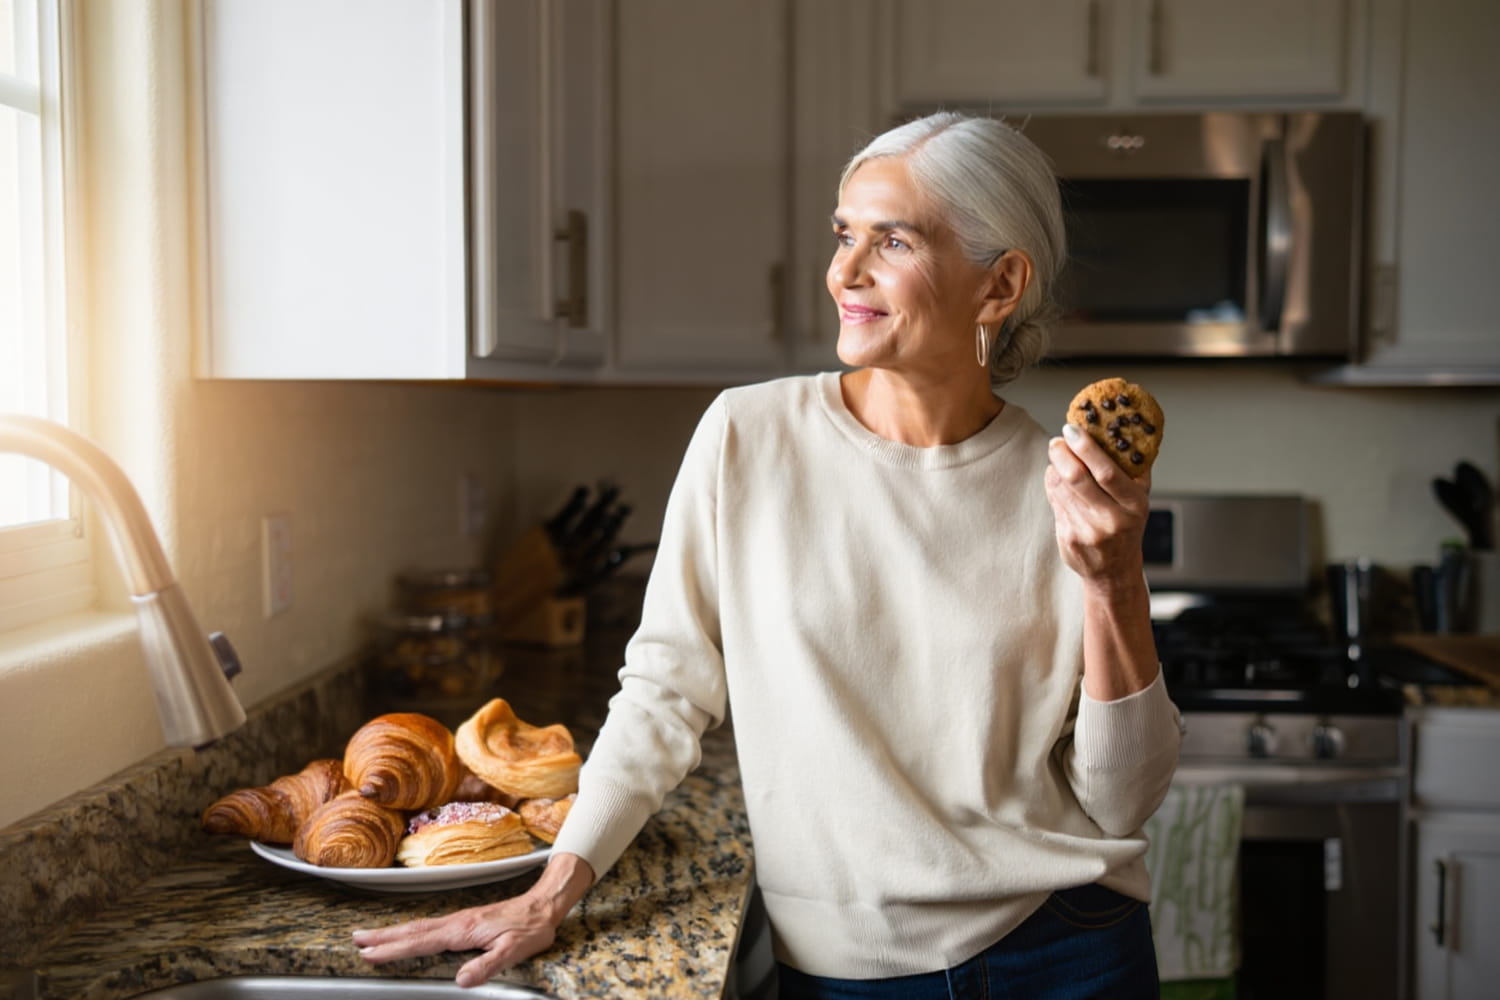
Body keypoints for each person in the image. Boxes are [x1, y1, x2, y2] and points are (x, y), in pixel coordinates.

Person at [354, 110, 1182, 999]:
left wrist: (1114, 581)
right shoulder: (747, 436)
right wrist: (550, 893)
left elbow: (1119, 802)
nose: (845, 273)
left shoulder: (1067, 490)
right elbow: (665, 691)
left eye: (893, 242)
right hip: (848, 971)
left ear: (999, 283)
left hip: (1067, 948)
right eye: (844, 235)